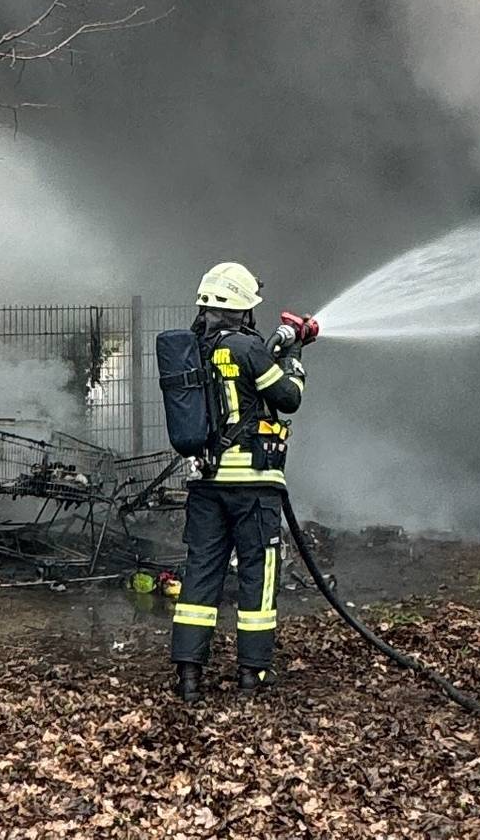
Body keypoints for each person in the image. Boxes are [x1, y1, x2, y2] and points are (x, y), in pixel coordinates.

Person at [170, 260, 305, 702]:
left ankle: (189, 676)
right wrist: (295, 355)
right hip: (253, 484)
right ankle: (254, 674)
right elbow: (287, 398)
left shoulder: (191, 350)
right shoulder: (249, 349)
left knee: (200, 575)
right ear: (244, 308)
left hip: (206, 484)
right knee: (257, 574)